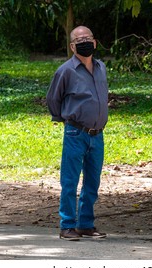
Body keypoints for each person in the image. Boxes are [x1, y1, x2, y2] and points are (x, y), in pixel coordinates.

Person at [46, 26, 108, 241]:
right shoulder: (65, 71)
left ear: (95, 42)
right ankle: (67, 226)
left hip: (97, 134)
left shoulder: (101, 67)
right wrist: (64, 118)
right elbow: (53, 98)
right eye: (79, 39)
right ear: (72, 46)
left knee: (92, 182)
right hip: (75, 132)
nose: (84, 41)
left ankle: (85, 224)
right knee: (70, 181)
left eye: (88, 38)